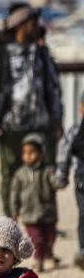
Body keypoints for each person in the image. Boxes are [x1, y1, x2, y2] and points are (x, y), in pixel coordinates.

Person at [0, 3, 63, 217]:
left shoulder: (41, 53)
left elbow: (53, 87)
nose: (37, 27)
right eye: (33, 23)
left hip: (41, 125)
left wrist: (57, 120)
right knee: (11, 176)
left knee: (45, 175)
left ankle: (43, 224)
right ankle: (11, 221)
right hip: (10, 126)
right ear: (21, 25)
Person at [10, 133, 59, 272]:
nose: (28, 156)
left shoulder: (48, 171)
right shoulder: (20, 174)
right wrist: (14, 211)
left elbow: (56, 183)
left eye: (32, 152)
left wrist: (60, 179)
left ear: (42, 153)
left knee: (50, 237)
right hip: (29, 215)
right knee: (37, 239)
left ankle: (48, 252)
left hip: (48, 213)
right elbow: (14, 194)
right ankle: (38, 260)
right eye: (25, 152)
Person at [56, 94, 84, 269]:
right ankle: (83, 250)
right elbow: (63, 152)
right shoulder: (75, 131)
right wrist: (62, 176)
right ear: (81, 109)